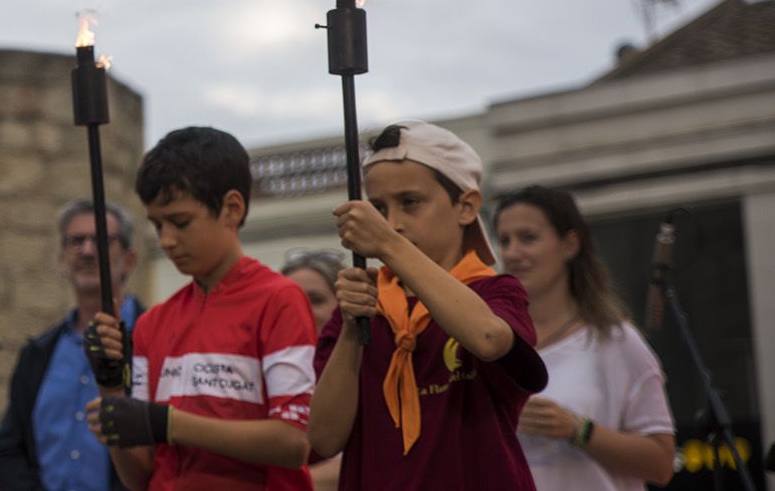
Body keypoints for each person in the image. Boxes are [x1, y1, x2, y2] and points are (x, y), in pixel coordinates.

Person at [308, 121, 547, 490]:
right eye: (379, 208)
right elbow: (324, 438)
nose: (393, 223)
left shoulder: (494, 291)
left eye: (410, 202)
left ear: (466, 206)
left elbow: (488, 338)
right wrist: (352, 332)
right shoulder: (361, 307)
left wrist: (388, 245)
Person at [85, 126, 316, 490]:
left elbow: (292, 443)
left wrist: (167, 423)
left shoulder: (278, 300)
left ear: (231, 209)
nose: (166, 241)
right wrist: (112, 389)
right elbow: (138, 475)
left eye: (180, 222)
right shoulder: (152, 323)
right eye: (156, 224)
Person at [495, 186, 675, 491]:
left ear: (569, 244)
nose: (512, 253)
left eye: (528, 238)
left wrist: (578, 429)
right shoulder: (493, 342)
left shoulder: (614, 340)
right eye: (504, 241)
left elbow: (661, 463)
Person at [0, 198, 146, 491]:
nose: (87, 251)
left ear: (129, 259)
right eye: (77, 241)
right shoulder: (38, 354)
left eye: (101, 240)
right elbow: (8, 451)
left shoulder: (155, 341)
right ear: (62, 257)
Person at [281, 251, 344, 491]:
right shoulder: (261, 371)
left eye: (316, 300)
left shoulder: (366, 367)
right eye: (290, 301)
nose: (301, 311)